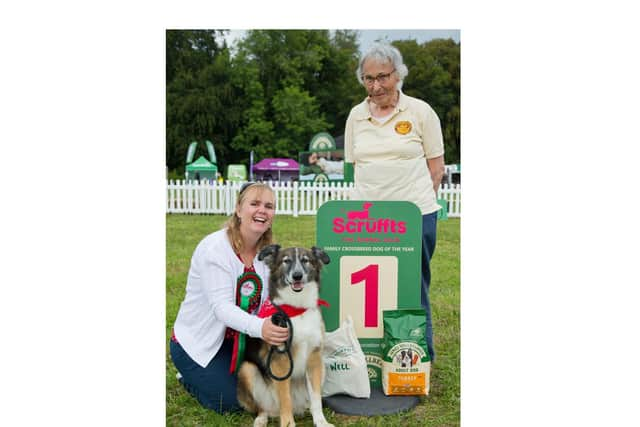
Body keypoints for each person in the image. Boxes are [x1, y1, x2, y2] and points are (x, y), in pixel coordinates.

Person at [344, 42, 445, 362]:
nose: (375, 86)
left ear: (398, 75)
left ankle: (418, 357)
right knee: (368, 288)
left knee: (412, 287)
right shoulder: (356, 116)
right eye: (368, 78)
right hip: (368, 218)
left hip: (414, 215)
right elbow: (355, 166)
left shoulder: (420, 111)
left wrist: (411, 206)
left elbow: (436, 169)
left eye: (382, 77)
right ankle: (370, 356)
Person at [169, 182, 289, 413]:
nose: (262, 211)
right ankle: (188, 376)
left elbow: (272, 299)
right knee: (235, 403)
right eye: (254, 204)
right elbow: (222, 308)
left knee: (268, 392)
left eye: (269, 206)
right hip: (199, 344)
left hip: (239, 341)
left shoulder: (268, 252)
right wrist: (261, 327)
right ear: (238, 209)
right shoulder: (215, 249)